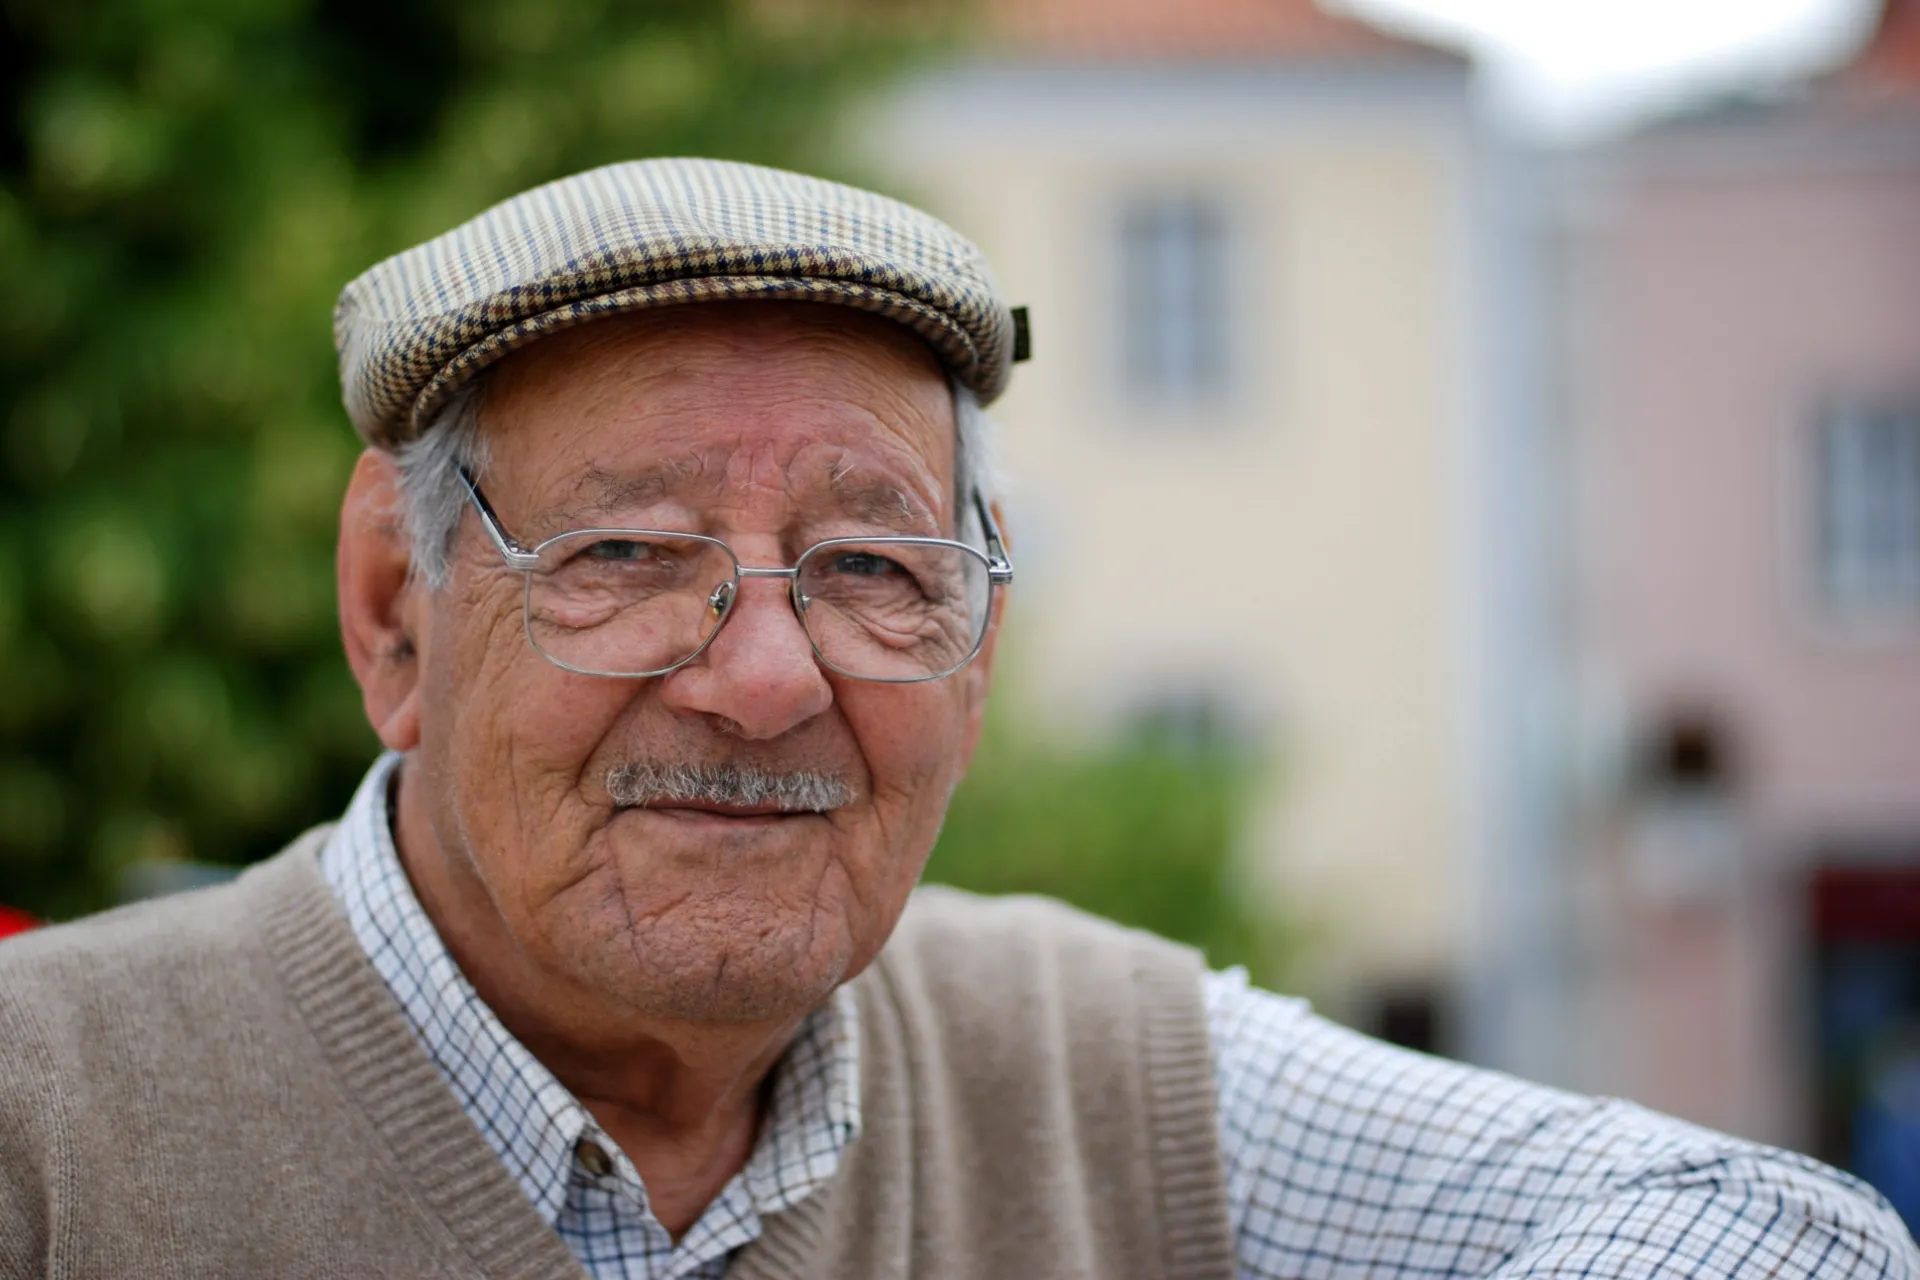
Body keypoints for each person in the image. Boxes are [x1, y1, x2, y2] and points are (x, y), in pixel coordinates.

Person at [0, 158, 1912, 1280]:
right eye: (630, 553)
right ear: (393, 614)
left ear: (979, 652)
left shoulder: (1097, 1071)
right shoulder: (49, 1121)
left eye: (873, 567)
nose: (769, 679)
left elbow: (1773, 1226)